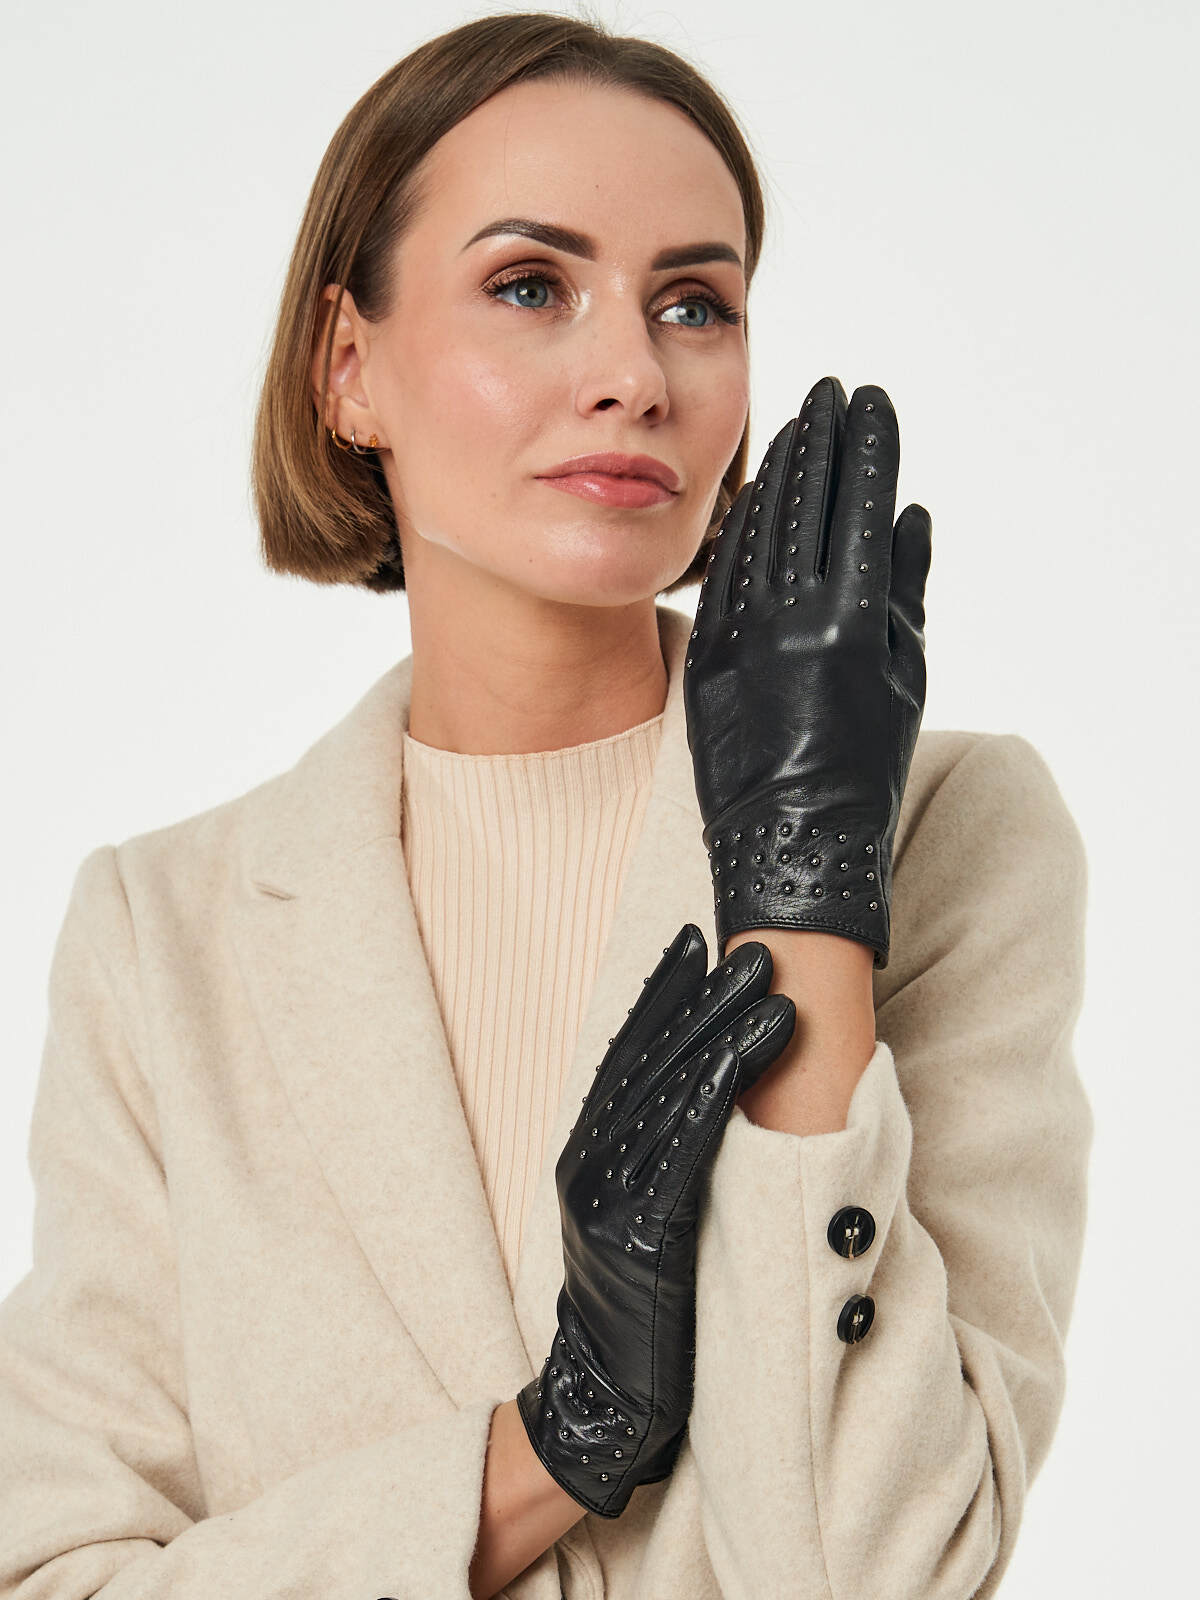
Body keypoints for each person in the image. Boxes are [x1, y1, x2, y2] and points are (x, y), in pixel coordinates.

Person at [0, 11, 1092, 1600]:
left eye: (694, 304)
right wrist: (552, 1444)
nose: (634, 376)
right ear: (348, 368)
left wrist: (801, 884)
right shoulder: (164, 933)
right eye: (531, 286)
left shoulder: (947, 834)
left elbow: (882, 1571)